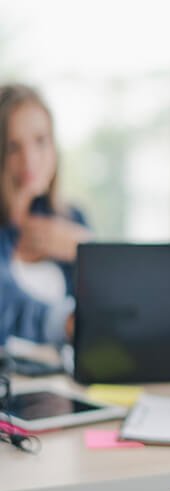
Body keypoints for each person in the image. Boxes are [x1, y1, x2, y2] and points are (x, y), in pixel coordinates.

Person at [0, 84, 91, 346]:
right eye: (13, 147)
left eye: (40, 141)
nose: (29, 161)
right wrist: (66, 323)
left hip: (65, 379)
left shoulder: (72, 220)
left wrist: (85, 249)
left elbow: (111, 302)